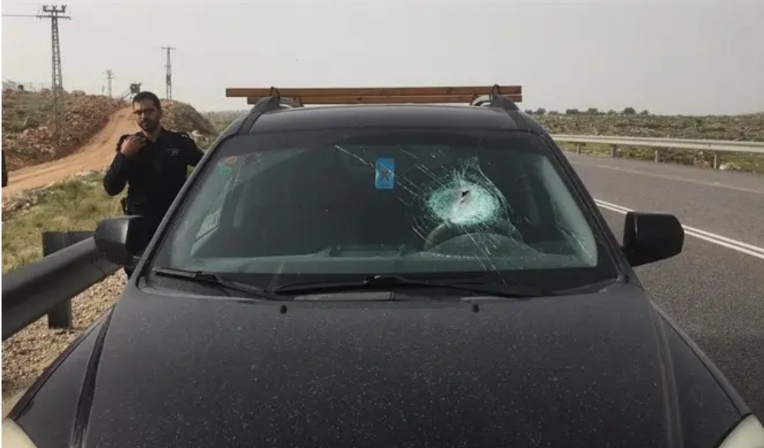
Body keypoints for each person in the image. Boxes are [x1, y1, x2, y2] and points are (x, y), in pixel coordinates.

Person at [103, 91, 205, 274]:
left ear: (159, 112)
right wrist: (123, 156)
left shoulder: (178, 143)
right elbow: (111, 187)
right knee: (140, 279)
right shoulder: (129, 145)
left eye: (149, 111)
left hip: (174, 225)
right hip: (141, 229)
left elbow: (206, 167)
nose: (144, 117)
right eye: (139, 113)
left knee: (174, 278)